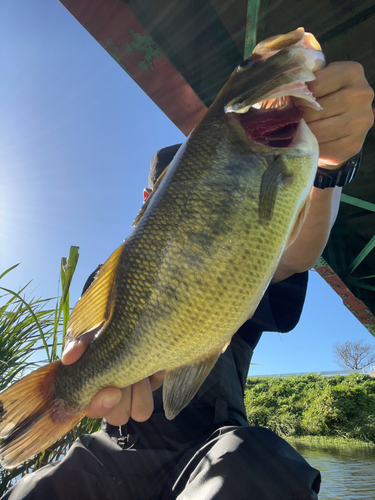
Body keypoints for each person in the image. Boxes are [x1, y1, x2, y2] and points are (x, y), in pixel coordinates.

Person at [2, 61, 373, 500]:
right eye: (164, 189)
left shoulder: (241, 245)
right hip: (114, 447)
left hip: (217, 444)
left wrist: (328, 171)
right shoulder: (107, 279)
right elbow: (87, 344)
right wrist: (82, 378)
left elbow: (295, 253)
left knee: (257, 471)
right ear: (148, 199)